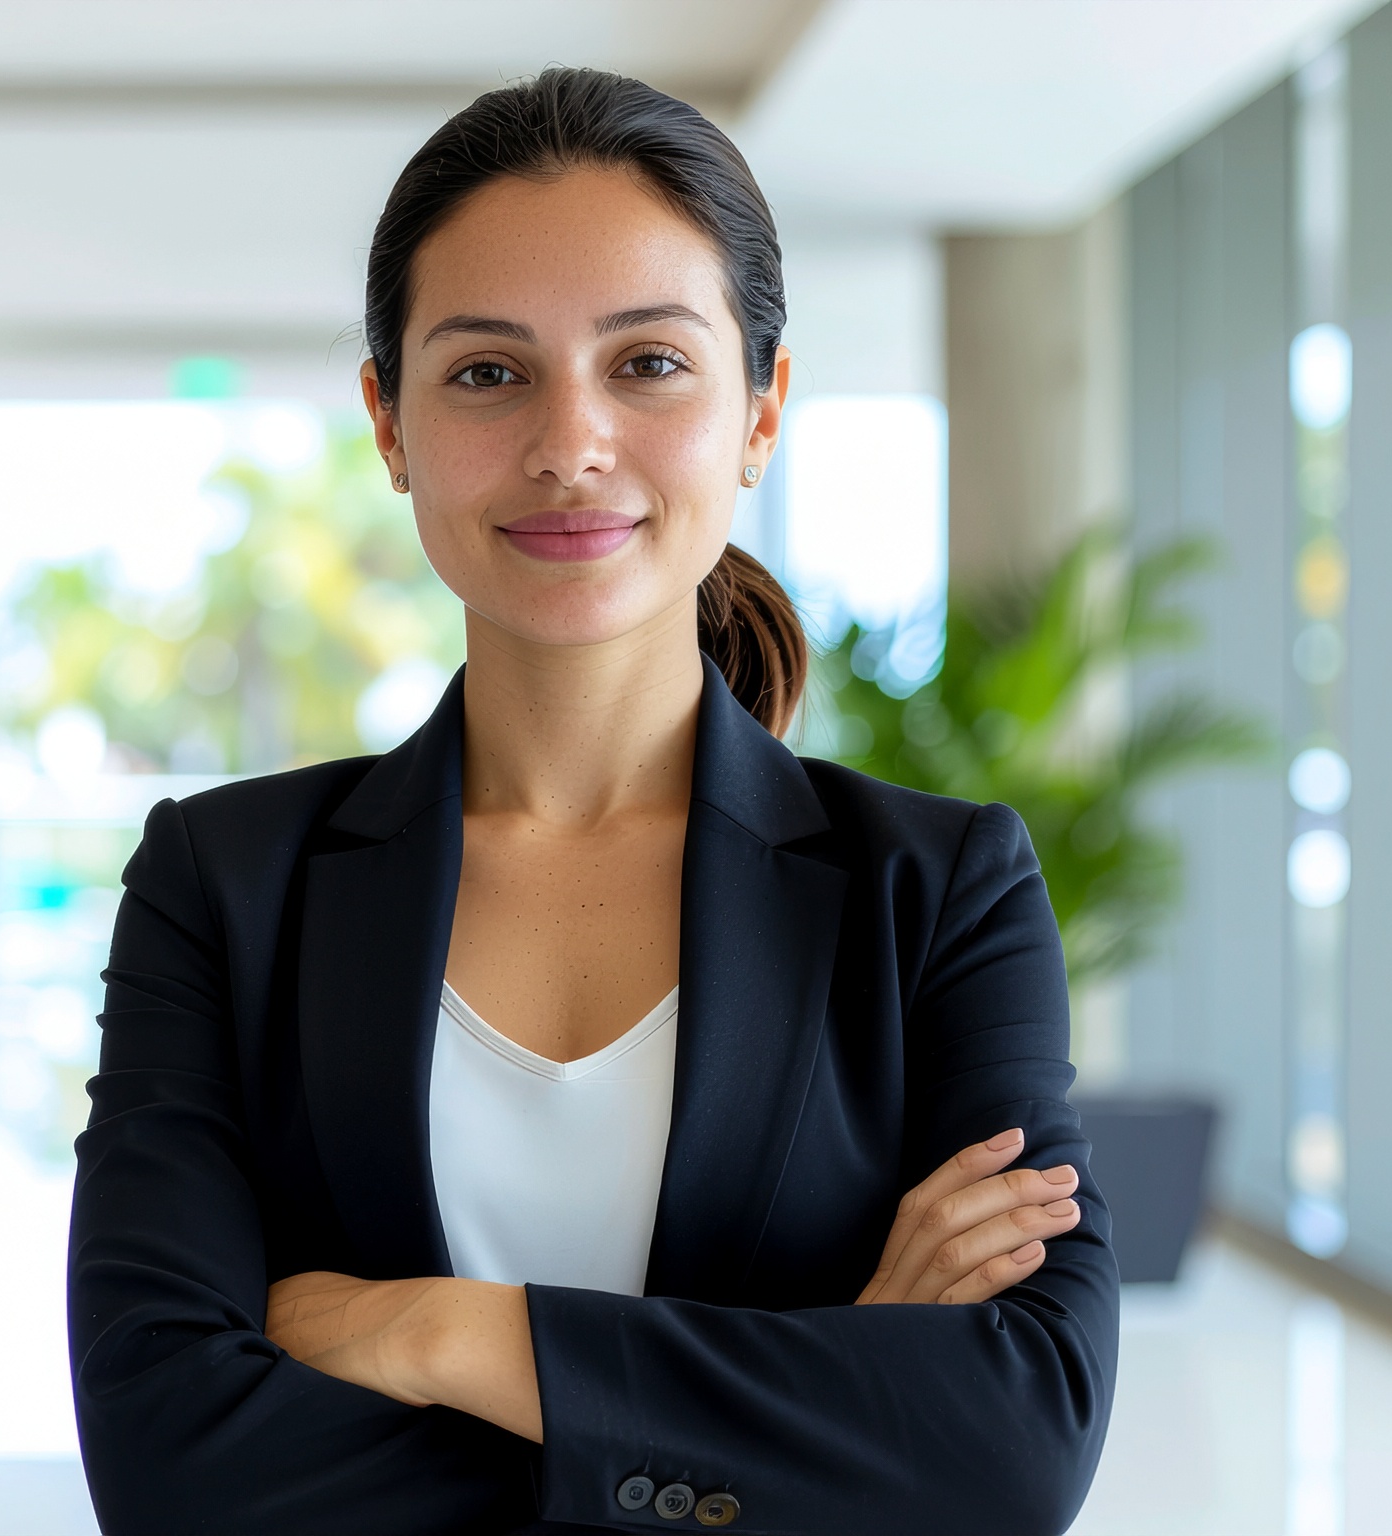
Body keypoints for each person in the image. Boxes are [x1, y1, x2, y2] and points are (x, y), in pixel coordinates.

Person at [67, 68, 1114, 1536]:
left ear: (762, 409)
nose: (572, 444)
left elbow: (1012, 1448)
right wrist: (820, 1400)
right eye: (490, 371)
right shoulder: (224, 884)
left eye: (650, 364)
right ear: (390, 423)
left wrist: (441, 1337)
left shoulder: (939, 893)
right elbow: (172, 1464)